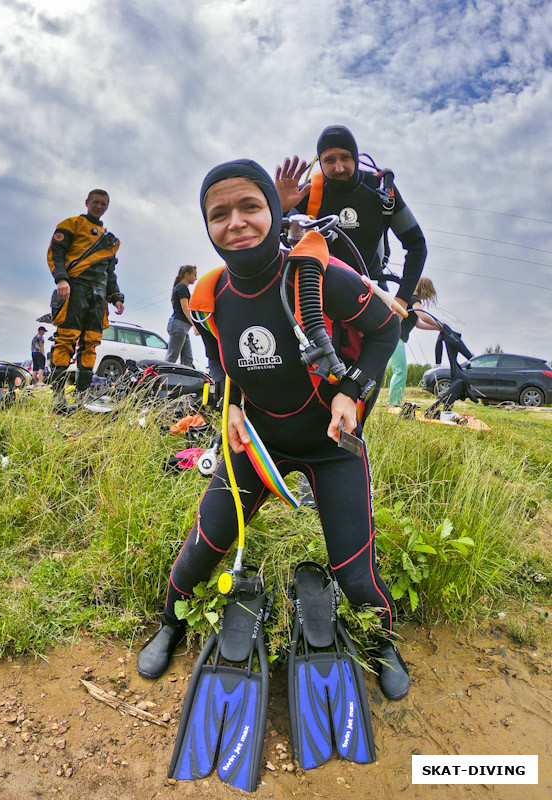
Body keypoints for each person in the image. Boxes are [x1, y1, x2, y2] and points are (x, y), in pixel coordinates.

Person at [137, 159, 410, 701]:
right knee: (202, 548)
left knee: (355, 575)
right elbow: (219, 356)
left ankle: (381, 643)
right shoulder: (207, 296)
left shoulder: (317, 276)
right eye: (219, 214)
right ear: (206, 226)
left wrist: (350, 392)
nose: (235, 222)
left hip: (331, 447)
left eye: (250, 207)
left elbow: (387, 330)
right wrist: (231, 403)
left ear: (275, 209)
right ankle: (171, 623)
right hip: (256, 445)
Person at [275, 125, 427, 312]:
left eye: (345, 158)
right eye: (329, 160)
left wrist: (402, 299)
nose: (339, 168)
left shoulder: (381, 191)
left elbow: (416, 244)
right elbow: (268, 241)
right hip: (317, 297)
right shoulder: (307, 192)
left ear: (355, 157)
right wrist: (280, 210)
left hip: (371, 295)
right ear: (320, 163)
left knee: (390, 339)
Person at [46, 189, 124, 411]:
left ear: (107, 206)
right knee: (65, 340)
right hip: (74, 289)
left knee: (91, 344)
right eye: (96, 202)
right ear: (87, 202)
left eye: (104, 203)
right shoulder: (71, 224)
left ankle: (82, 398)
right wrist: (61, 279)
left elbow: (110, 272)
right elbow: (56, 253)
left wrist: (116, 297)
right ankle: (58, 398)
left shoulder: (109, 240)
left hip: (99, 295)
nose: (99, 206)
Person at [388, 277, 441, 408]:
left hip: (394, 336)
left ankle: (393, 403)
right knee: (400, 370)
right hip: (395, 336)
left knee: (398, 370)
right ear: (425, 289)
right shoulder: (414, 299)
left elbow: (418, 323)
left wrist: (437, 327)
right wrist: (439, 323)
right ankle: (393, 405)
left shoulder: (411, 300)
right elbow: (422, 315)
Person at [165, 265, 199, 367]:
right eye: (194, 275)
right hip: (179, 326)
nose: (196, 278)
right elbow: (185, 307)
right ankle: (160, 378)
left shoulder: (182, 287)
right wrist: (194, 325)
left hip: (183, 328)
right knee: (172, 357)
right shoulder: (182, 287)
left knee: (188, 359)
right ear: (187, 274)